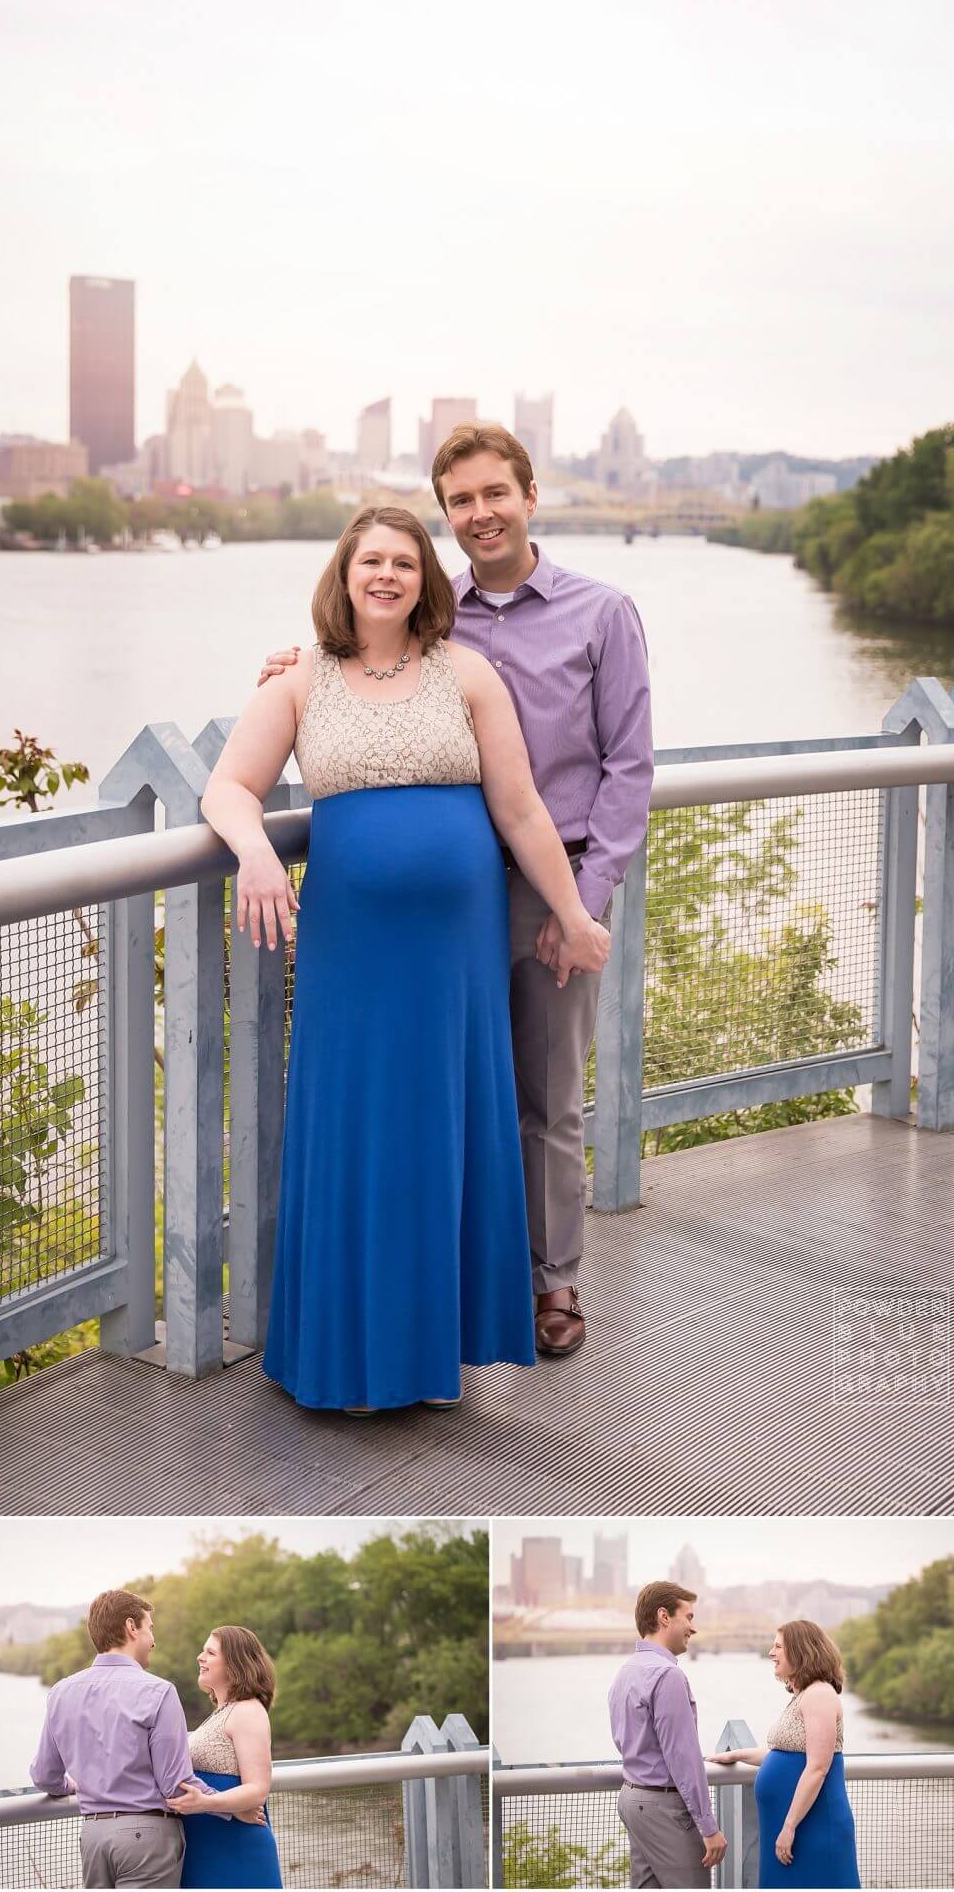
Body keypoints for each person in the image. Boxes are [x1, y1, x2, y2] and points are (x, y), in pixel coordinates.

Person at [201, 503, 610, 1412]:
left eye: (404, 562)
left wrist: (572, 913)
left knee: (443, 1128)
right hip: (355, 949)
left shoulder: (467, 673)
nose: (386, 575)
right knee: (358, 1132)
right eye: (369, 561)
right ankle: (347, 1357)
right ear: (343, 577)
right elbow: (227, 785)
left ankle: (432, 1355)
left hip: (452, 953)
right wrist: (259, 852)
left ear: (427, 579)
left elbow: (520, 809)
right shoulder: (300, 680)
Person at [260, 422, 654, 1357]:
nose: (479, 515)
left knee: (547, 1096)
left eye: (493, 495)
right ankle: (459, 1286)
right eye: (461, 503)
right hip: (460, 899)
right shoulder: (440, 622)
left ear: (528, 497)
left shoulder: (603, 614)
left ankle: (552, 1285)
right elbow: (362, 659)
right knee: (455, 1093)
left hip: (559, 876)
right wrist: (290, 667)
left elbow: (629, 769)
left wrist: (584, 902)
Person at [29, 1589, 258, 1890]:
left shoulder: (61, 1692)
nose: (153, 1639)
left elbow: (45, 1775)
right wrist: (230, 1806)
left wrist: (72, 1786)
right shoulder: (159, 1692)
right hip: (147, 1839)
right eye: (150, 1628)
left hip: (93, 1837)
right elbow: (175, 1784)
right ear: (131, 1627)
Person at [713, 1621, 861, 1888]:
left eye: (778, 1646)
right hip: (789, 1825)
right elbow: (786, 1754)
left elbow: (818, 1767)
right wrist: (735, 1755)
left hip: (811, 1825)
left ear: (801, 1651)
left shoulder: (819, 1695)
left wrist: (790, 1826)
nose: (771, 1653)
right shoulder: (804, 1695)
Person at [608, 1582, 728, 1888]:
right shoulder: (667, 1675)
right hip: (664, 1809)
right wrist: (709, 1826)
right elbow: (683, 1757)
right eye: (688, 1617)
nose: (693, 1627)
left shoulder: (626, 1671)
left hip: (632, 1800)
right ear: (664, 1616)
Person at [166, 1626, 283, 1888]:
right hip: (205, 1848)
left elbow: (258, 1789)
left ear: (235, 1665)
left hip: (235, 1848)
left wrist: (205, 1803)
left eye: (210, 1653)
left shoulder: (248, 1711)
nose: (200, 1657)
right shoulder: (220, 1714)